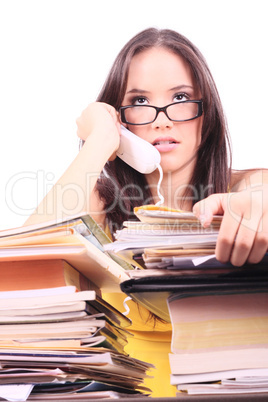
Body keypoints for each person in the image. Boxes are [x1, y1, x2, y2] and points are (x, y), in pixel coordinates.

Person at [25, 28, 268, 397]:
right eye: (139, 100)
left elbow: (261, 198)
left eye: (181, 97)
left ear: (208, 114)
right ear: (121, 118)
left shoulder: (247, 186)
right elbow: (20, 268)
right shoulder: (98, 206)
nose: (160, 119)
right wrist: (99, 142)